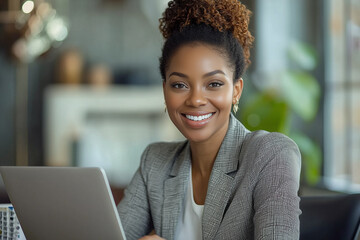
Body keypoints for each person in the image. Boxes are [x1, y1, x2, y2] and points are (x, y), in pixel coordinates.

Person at [117, 0, 301, 239]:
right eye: (179, 85)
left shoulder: (270, 155)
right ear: (165, 91)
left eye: (214, 84)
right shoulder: (155, 163)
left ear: (236, 90)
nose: (195, 100)